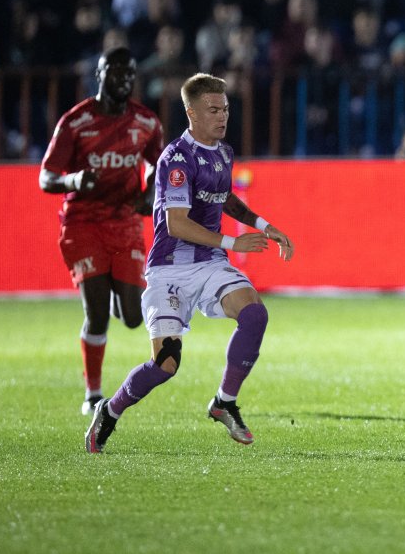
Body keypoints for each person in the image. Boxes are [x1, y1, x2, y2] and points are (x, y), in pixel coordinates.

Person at [85, 73, 294, 453]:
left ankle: (224, 402)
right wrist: (234, 240)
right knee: (165, 363)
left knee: (255, 315)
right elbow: (176, 224)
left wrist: (265, 225)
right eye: (213, 109)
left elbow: (224, 198)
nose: (222, 116)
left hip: (211, 261)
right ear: (191, 112)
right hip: (170, 269)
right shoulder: (176, 160)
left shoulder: (224, 152)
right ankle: (110, 410)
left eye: (225, 108)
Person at [39, 46, 165, 416]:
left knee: (131, 317)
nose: (124, 80)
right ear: (100, 74)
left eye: (130, 74)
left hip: (125, 222)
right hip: (83, 222)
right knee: (95, 313)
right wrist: (75, 178)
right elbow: (46, 176)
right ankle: (93, 394)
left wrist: (150, 193)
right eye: (116, 72)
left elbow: (162, 165)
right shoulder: (76, 122)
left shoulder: (146, 123)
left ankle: (114, 289)